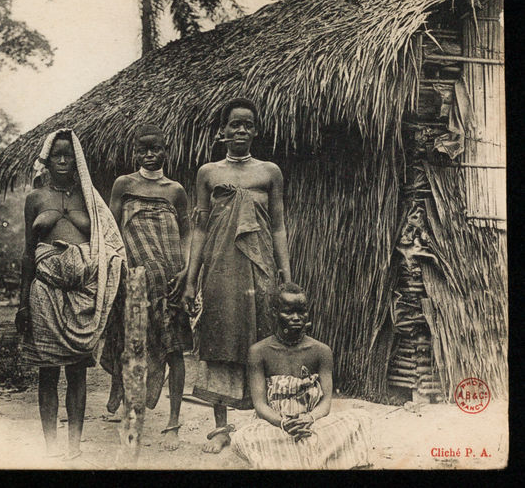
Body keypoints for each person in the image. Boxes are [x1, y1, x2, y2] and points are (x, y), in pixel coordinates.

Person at [180, 97, 292, 453]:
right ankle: (221, 429)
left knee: (263, 339)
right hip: (220, 268)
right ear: (222, 131)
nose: (241, 130)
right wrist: (191, 278)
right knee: (219, 338)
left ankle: (266, 424)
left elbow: (278, 227)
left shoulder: (269, 172)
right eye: (234, 124)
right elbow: (199, 228)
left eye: (247, 124)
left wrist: (285, 276)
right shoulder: (208, 173)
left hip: (258, 269)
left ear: (255, 131)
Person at [17, 128, 126, 460]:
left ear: (77, 160)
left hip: (82, 294)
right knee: (47, 372)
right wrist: (22, 302)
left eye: (68, 155)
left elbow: (110, 244)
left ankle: (74, 447)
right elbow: (27, 252)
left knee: (77, 372)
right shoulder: (35, 199)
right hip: (44, 291)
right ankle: (51, 448)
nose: (62, 161)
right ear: (47, 161)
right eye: (56, 156)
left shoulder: (91, 200)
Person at [100, 124, 192, 450]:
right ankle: (130, 413)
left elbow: (186, 233)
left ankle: (174, 421)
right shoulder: (124, 184)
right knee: (130, 345)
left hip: (169, 280)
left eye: (156, 149)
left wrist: (186, 271)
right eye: (143, 149)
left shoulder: (176, 190)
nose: (150, 155)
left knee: (174, 350)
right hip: (134, 279)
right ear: (135, 152)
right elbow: (110, 231)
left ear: (166, 150)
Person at [230, 283, 372, 469]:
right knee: (243, 438)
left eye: (301, 311)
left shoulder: (321, 351)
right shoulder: (259, 352)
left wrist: (309, 419)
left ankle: (297, 456)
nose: (296, 318)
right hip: (275, 425)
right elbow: (260, 405)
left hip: (313, 423)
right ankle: (311, 457)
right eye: (288, 312)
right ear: (274, 313)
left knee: (360, 420)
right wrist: (283, 423)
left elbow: (326, 402)